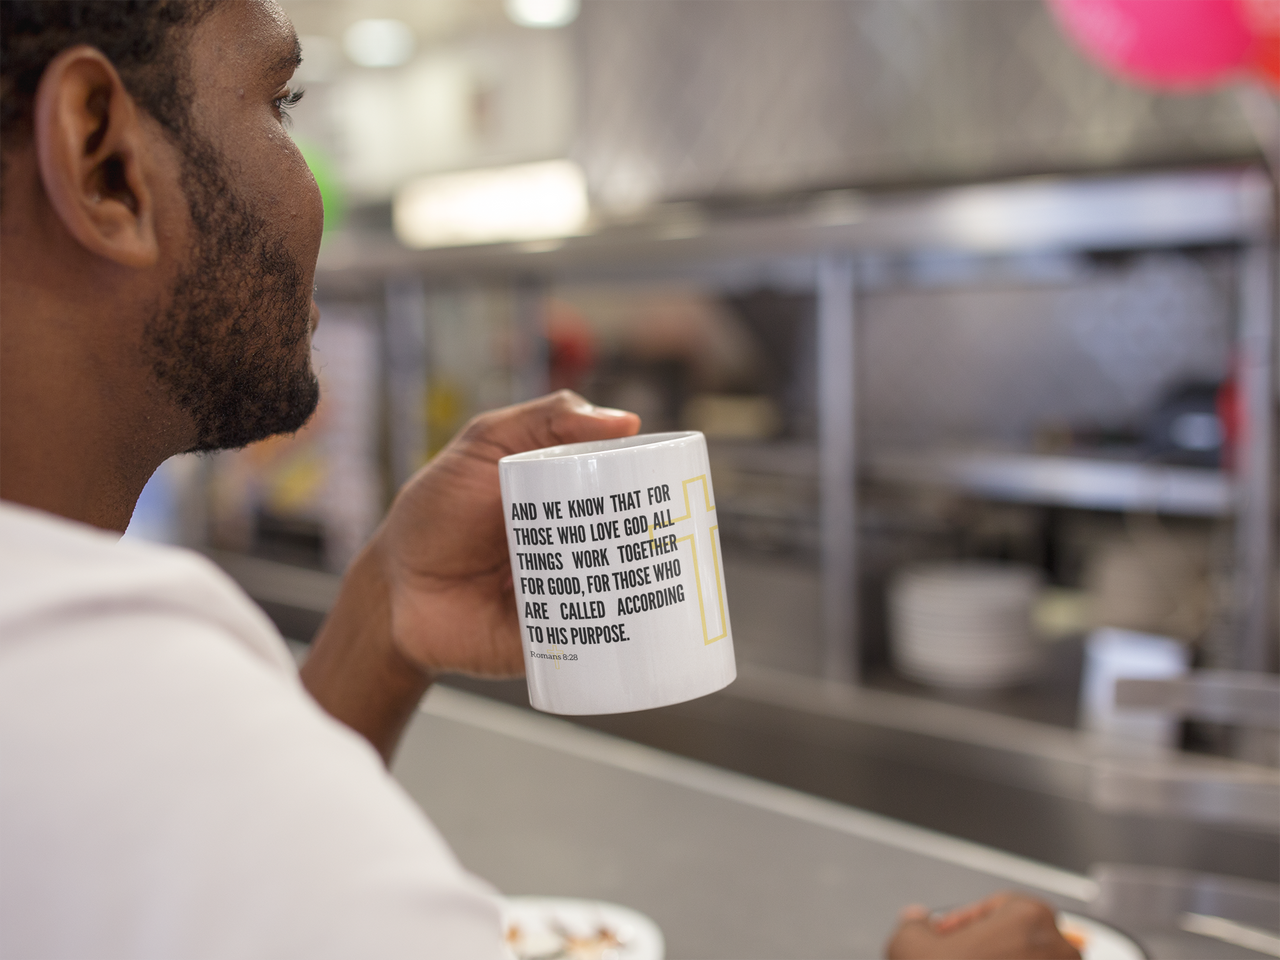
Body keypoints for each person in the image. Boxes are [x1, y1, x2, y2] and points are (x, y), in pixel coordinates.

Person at [0, 1, 1080, 957]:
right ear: (103, 160)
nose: (309, 178)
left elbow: (225, 884)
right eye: (280, 101)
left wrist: (383, 613)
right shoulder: (124, 685)